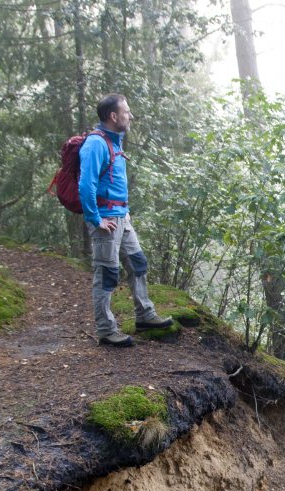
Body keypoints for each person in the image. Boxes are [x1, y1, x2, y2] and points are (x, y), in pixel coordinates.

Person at [79, 93, 173, 347]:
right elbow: (86, 185)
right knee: (107, 274)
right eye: (126, 111)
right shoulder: (96, 144)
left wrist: (125, 210)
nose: (130, 116)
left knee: (137, 262)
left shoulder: (115, 142)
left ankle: (145, 315)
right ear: (113, 116)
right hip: (106, 220)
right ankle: (106, 330)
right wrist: (95, 218)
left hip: (121, 216)